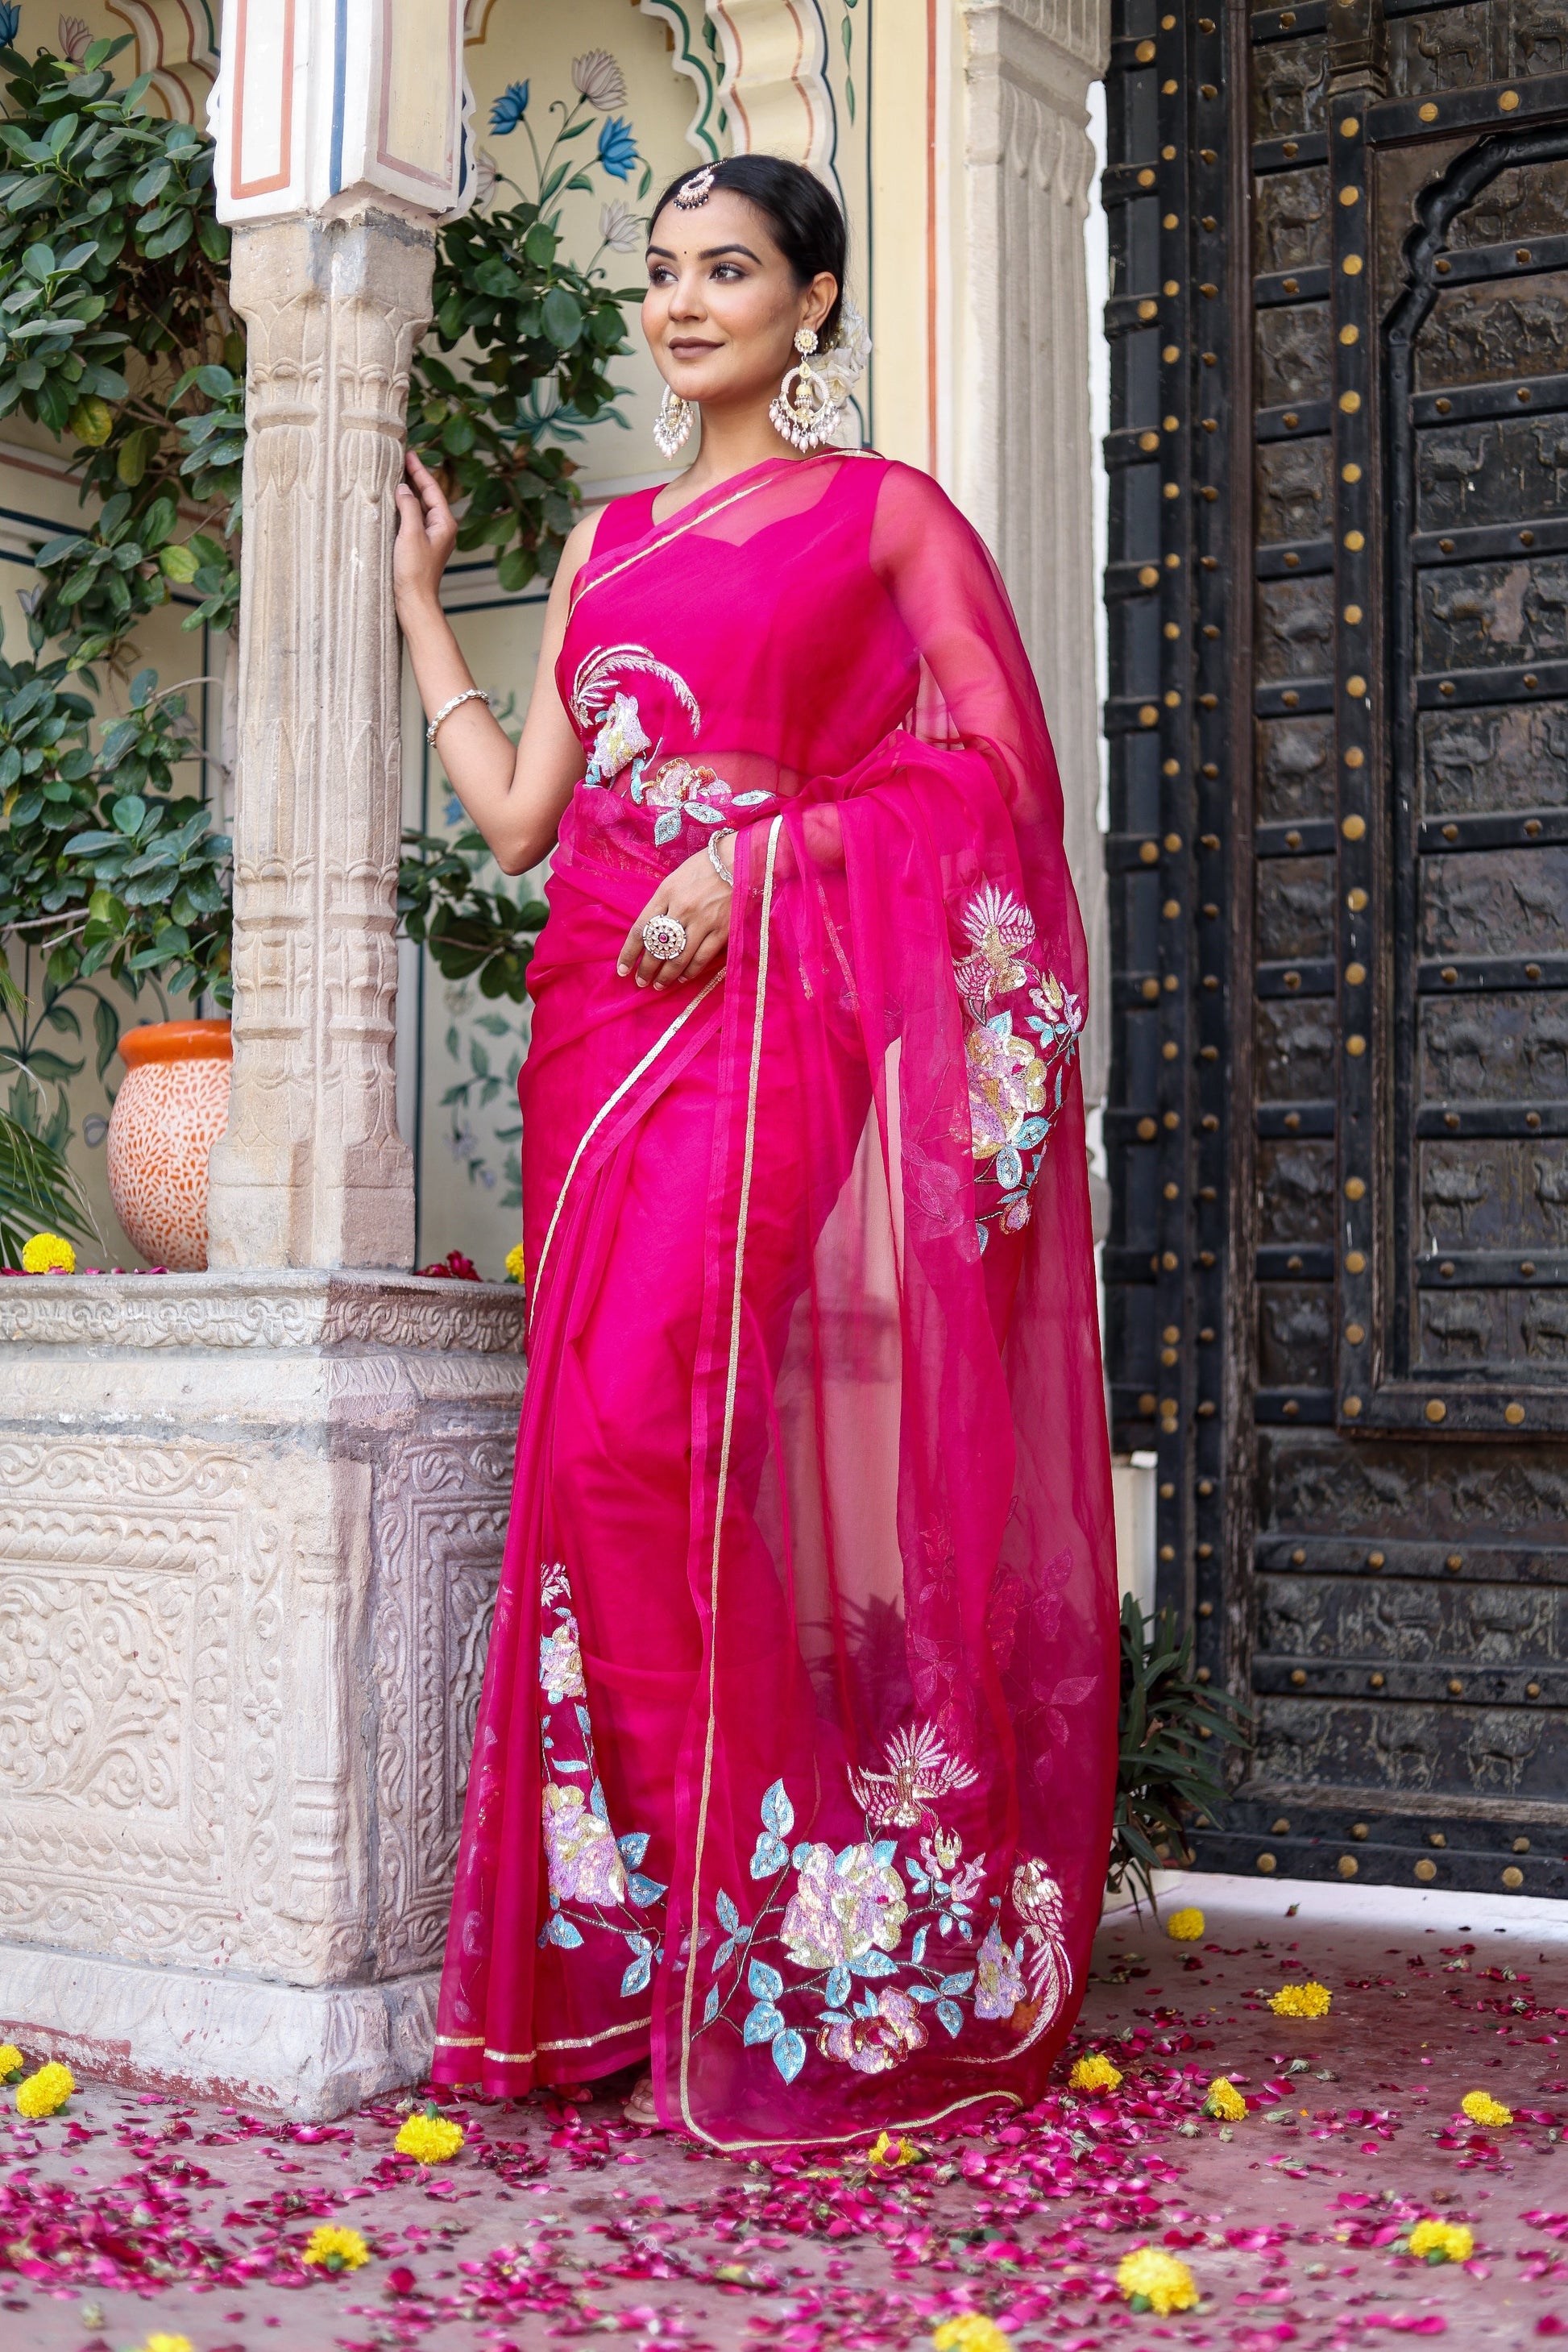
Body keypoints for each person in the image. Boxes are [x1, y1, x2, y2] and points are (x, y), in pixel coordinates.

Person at [392, 153, 1117, 2153]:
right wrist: (418, 626)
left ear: (813, 303)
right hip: (591, 1021)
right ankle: (660, 1940)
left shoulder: (879, 516)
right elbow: (528, 817)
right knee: (610, 1464)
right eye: (662, 273)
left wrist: (767, 857)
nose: (683, 302)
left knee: (651, 1429)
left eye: (728, 271)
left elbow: (993, 774)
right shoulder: (602, 542)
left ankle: (792, 1919)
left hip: (760, 1013)